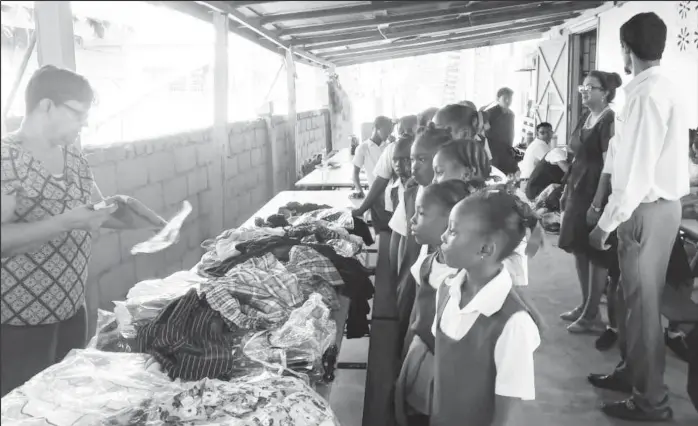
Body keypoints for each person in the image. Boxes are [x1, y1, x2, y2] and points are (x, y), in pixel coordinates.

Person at [0, 65, 165, 397]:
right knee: (25, 407)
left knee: (66, 400)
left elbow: (93, 214)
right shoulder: (7, 157)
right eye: (78, 114)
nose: (83, 125)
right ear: (45, 106)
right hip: (19, 322)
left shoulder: (74, 158)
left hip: (71, 310)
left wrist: (142, 220)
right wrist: (66, 222)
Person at [587, 13, 689, 421]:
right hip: (656, 209)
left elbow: (637, 171)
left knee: (644, 310)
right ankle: (633, 373)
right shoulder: (657, 88)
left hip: (644, 209)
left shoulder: (646, 96)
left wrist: (605, 224)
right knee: (633, 302)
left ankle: (652, 402)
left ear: (626, 50)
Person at [433, 187, 541, 426]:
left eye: (452, 231)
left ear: (485, 249)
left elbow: (507, 415)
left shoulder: (513, 324)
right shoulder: (446, 290)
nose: (442, 237)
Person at [394, 179, 482, 426]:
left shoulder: (467, 277)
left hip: (445, 366)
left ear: (450, 223)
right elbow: (416, 314)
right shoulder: (428, 262)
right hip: (420, 353)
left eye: (421, 214)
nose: (412, 220)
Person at [558, 70, 621, 335]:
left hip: (595, 190)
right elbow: (576, 156)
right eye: (582, 87)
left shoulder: (610, 120)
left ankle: (593, 313)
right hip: (577, 187)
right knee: (578, 248)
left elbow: (611, 165)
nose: (584, 91)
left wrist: (598, 204)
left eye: (590, 87)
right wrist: (565, 189)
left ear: (605, 92)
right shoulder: (586, 116)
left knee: (596, 254)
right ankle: (585, 305)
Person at [352, 116, 394, 232]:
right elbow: (355, 175)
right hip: (375, 196)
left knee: (393, 228)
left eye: (390, 131)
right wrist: (360, 190)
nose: (388, 134)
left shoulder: (389, 147)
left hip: (391, 194)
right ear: (376, 128)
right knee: (382, 231)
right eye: (386, 130)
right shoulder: (363, 148)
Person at [485, 88, 519, 176]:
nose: (508, 101)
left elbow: (511, 133)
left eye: (510, 98)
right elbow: (486, 133)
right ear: (498, 99)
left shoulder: (511, 114)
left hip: (507, 149)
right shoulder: (489, 113)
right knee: (496, 175)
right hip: (493, 151)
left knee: (509, 174)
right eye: (505, 98)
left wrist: (511, 148)